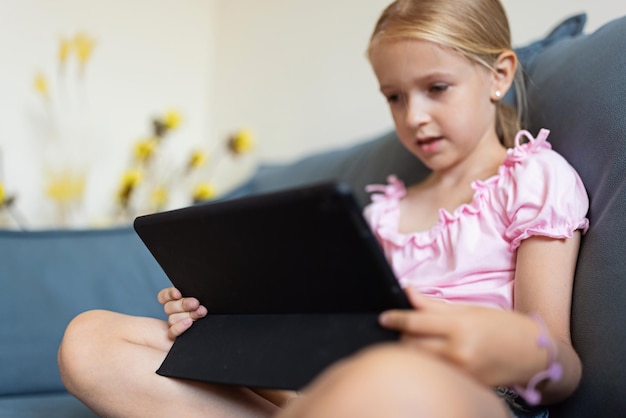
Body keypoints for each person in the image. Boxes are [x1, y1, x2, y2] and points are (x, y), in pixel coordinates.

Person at [57, 0, 589, 417]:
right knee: (91, 341)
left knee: (387, 385)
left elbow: (562, 366)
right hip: (338, 380)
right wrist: (219, 322)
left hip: (462, 392)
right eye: (395, 97)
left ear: (498, 76)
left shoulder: (533, 180)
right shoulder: (383, 213)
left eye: (436, 88)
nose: (415, 116)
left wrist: (505, 342)